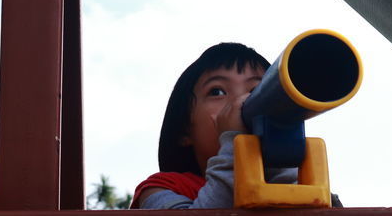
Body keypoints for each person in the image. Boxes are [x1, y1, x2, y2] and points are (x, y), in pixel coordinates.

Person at [131, 41, 327, 209]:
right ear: (184, 129)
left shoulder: (308, 185)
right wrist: (235, 145)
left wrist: (281, 155)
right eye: (217, 92)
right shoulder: (160, 189)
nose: (241, 101)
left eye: (257, 90)